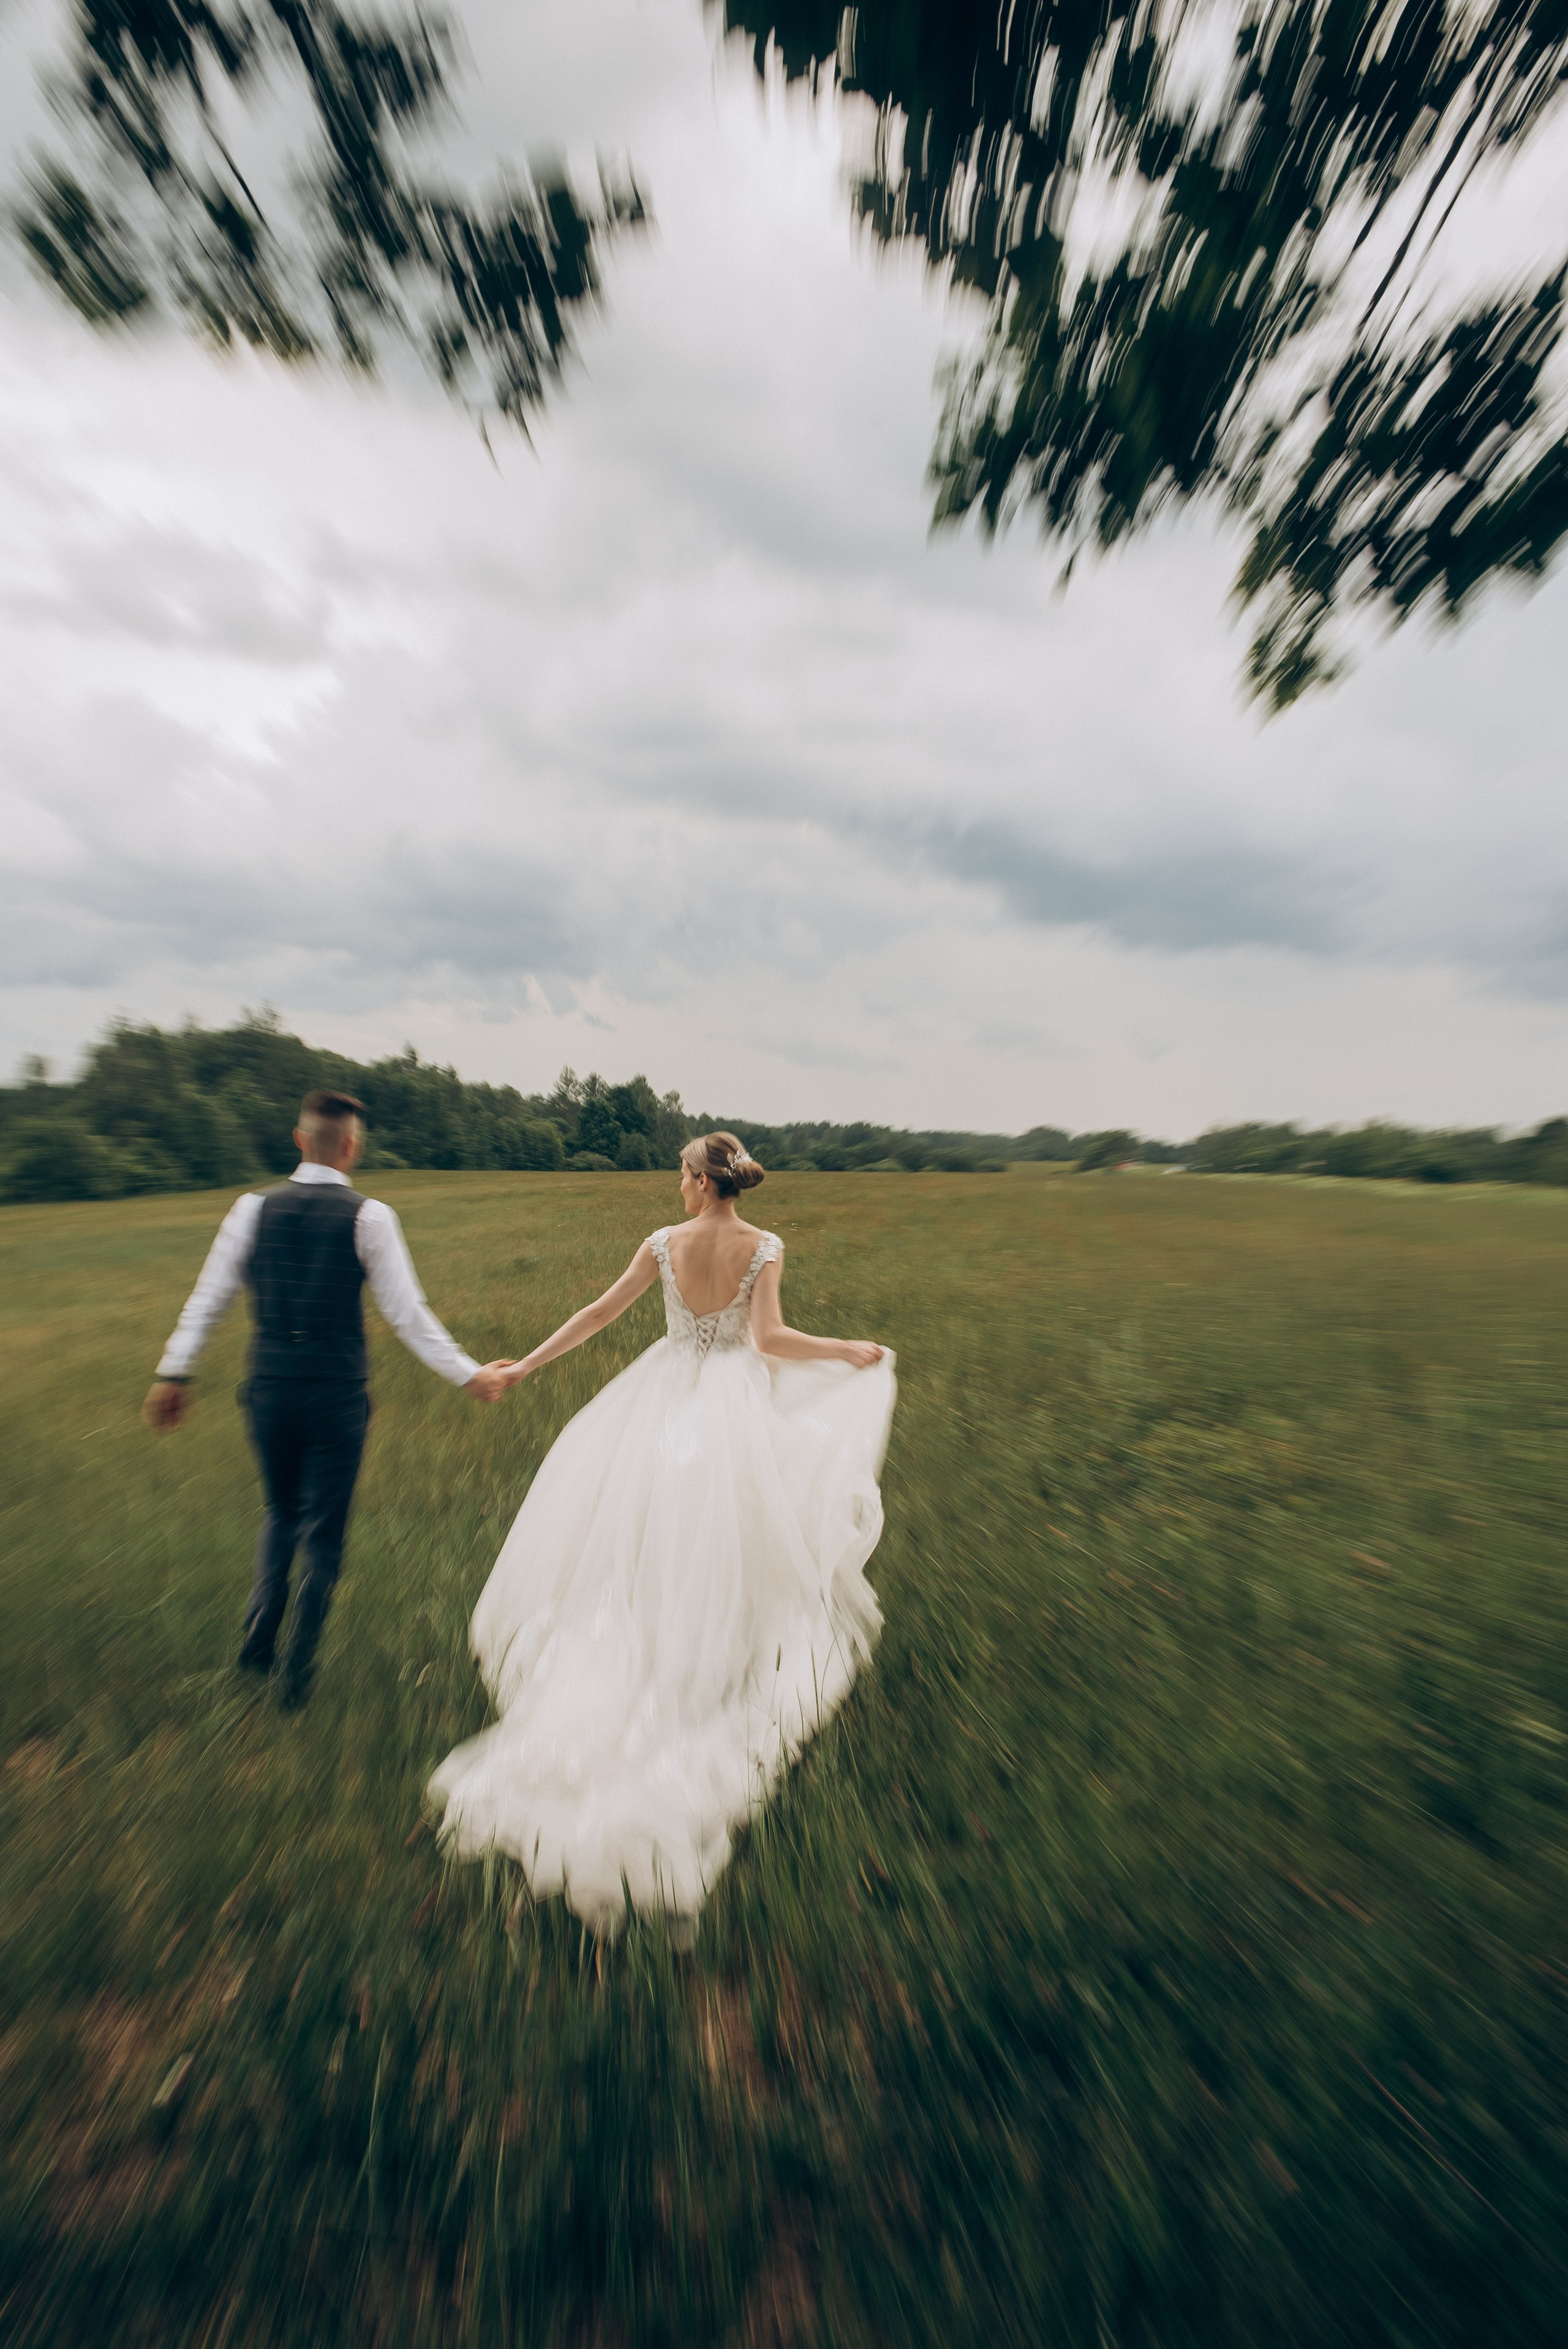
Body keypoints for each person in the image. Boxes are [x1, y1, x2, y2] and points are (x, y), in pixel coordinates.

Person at [428, 1130, 895, 1936]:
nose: (676, 1187)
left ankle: (650, 1653)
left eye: (680, 1174)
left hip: (663, 1397)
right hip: (732, 1406)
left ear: (697, 1179)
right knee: (730, 1539)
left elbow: (601, 1311)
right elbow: (771, 1342)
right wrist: (847, 1349)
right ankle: (717, 1657)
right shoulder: (763, 1244)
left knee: (642, 1537)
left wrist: (525, 1365)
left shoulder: (663, 1243)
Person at [143, 1088, 510, 1710]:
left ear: (298, 1138)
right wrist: (469, 1374)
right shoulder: (370, 1217)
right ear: (350, 1147)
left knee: (280, 1509)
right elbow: (406, 1314)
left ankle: (260, 1636)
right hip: (336, 1395)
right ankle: (296, 1678)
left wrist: (174, 1372)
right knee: (324, 1534)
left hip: (267, 1389)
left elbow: (209, 1299)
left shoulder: (249, 1210)